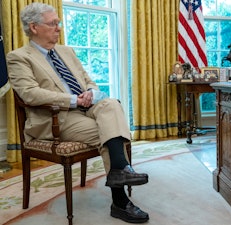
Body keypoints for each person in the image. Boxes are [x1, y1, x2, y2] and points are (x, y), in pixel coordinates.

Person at [7, 3, 149, 223]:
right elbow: (30, 94)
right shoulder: (19, 57)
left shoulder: (66, 51)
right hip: (56, 118)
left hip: (88, 108)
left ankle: (119, 171)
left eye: (58, 23)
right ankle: (120, 200)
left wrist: (91, 92)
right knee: (111, 135)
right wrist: (73, 100)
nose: (59, 28)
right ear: (34, 27)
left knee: (111, 104)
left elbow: (87, 80)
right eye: (53, 23)